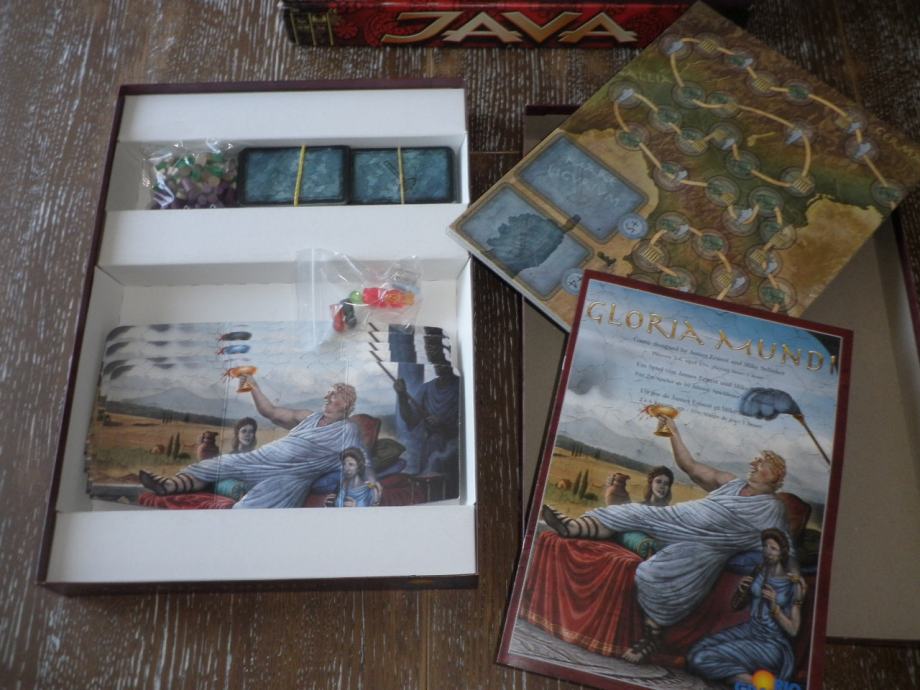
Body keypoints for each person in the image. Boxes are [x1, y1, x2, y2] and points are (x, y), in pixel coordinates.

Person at [541, 416, 795, 664]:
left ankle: (651, 637)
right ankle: (572, 527)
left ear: (775, 475)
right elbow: (690, 466)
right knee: (631, 511)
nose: (752, 463)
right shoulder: (730, 483)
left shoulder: (772, 508)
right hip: (674, 518)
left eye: (761, 462)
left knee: (659, 571)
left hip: (708, 544)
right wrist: (672, 430)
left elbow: (783, 548)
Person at [138, 378, 370, 509]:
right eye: (328, 397)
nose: (327, 400)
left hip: (292, 474)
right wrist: (254, 387)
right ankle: (169, 486)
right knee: (219, 464)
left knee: (259, 504)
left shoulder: (347, 429)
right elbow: (271, 411)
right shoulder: (308, 416)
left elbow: (359, 462)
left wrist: (355, 494)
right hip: (260, 458)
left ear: (346, 404)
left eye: (333, 398)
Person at [687, 529, 806, 685]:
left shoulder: (792, 584)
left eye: (773, 548)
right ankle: (740, 678)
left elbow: (793, 630)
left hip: (771, 644)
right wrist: (741, 591)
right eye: (765, 546)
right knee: (694, 652)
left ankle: (763, 685)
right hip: (749, 630)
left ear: (782, 553)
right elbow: (736, 606)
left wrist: (774, 605)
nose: (767, 552)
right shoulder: (758, 571)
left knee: (701, 658)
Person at [393, 363, 460, 495]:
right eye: (434, 360)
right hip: (431, 448)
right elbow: (411, 419)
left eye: (440, 359)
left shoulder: (461, 386)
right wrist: (402, 396)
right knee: (430, 490)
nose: (437, 364)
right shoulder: (427, 388)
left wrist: (443, 423)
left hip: (455, 449)